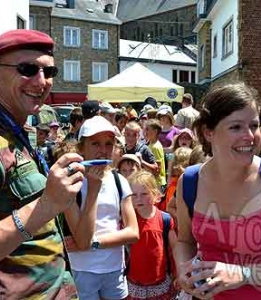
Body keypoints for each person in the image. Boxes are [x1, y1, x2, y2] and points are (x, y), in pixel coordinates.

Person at [175, 82, 261, 299]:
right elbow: (185, 241)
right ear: (208, 132)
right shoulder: (190, 182)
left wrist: (243, 274)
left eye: (253, 125)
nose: (250, 136)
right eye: (236, 127)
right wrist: (183, 268)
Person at [0, 29, 86, 298]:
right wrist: (48, 203)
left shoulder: (16, 132)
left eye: (49, 72)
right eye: (27, 69)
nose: (42, 82)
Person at [64, 115, 139, 300]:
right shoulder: (71, 182)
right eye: (95, 144)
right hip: (82, 270)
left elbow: (133, 232)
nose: (103, 150)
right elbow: (81, 241)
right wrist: (93, 191)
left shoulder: (119, 180)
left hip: (114, 268)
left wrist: (94, 243)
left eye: (108, 144)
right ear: (82, 148)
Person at [127, 170, 178, 300]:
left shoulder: (165, 219)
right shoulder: (127, 220)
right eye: (134, 195)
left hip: (160, 283)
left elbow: (176, 248)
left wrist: (178, 272)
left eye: (144, 194)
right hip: (134, 284)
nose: (138, 199)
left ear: (155, 194)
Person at [145, 119, 167, 191]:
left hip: (157, 184)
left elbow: (157, 170)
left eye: (148, 129)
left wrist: (142, 162)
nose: (146, 132)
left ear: (155, 131)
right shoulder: (151, 144)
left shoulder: (155, 147)